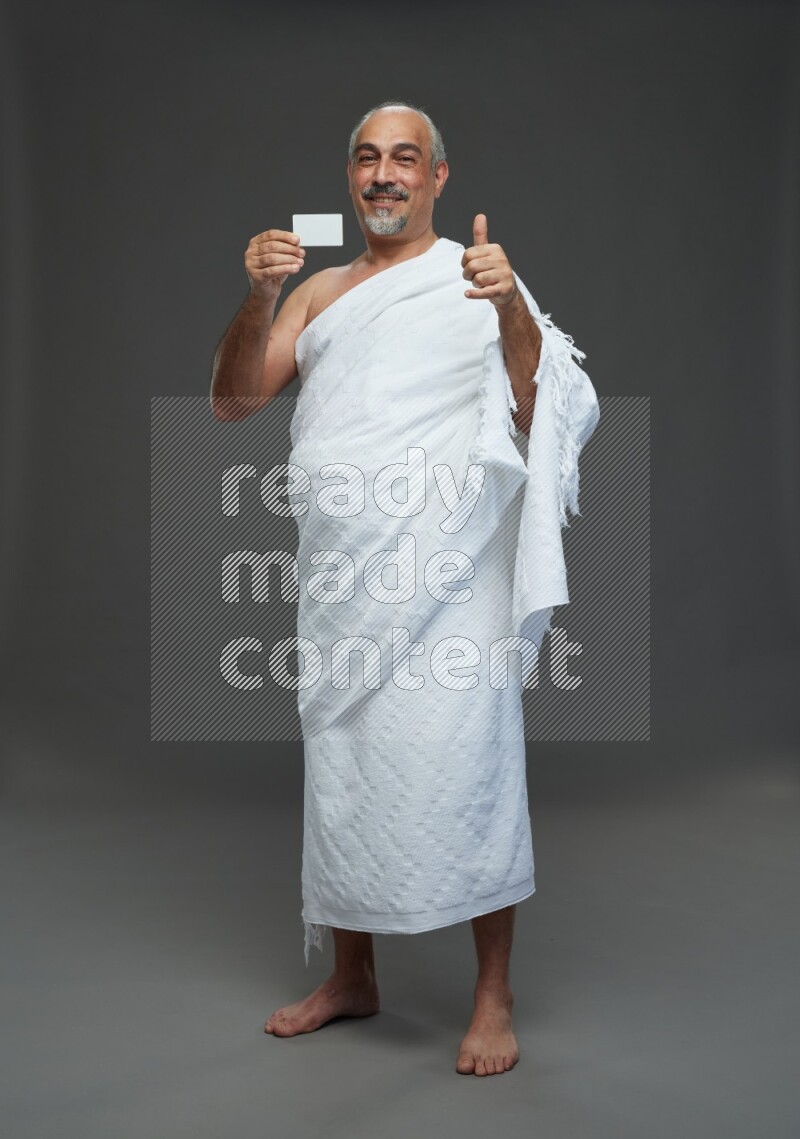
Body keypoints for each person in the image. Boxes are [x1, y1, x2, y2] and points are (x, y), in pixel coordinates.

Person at [210, 100, 599, 1077]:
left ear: (438, 177)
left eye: (404, 159)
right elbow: (233, 398)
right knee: (345, 768)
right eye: (367, 159)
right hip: (346, 570)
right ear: (349, 176)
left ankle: (491, 991)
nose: (384, 174)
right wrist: (259, 295)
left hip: (447, 567)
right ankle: (352, 974)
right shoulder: (318, 289)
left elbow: (536, 402)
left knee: (467, 760)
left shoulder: (472, 277)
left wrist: (507, 302)